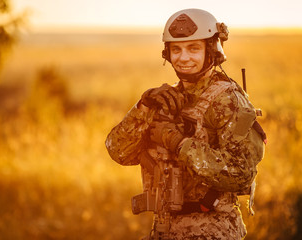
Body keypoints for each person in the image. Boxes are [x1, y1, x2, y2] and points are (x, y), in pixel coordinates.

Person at [105, 8, 265, 240]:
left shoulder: (228, 101)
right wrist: (143, 106)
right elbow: (118, 151)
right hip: (164, 228)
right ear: (167, 54)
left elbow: (240, 173)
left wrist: (179, 143)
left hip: (213, 229)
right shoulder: (164, 99)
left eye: (193, 48)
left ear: (211, 50)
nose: (184, 57)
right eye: (176, 50)